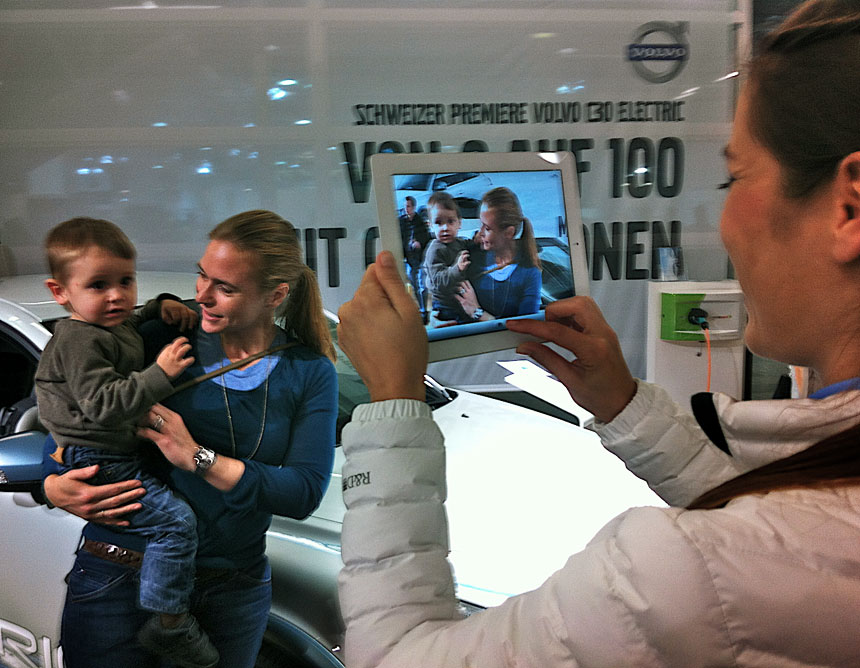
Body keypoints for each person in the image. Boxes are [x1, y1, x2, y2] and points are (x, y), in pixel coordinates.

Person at [335, 1, 860, 666]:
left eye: (737, 175)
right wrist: (623, 403)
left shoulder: (678, 574)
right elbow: (774, 546)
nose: (724, 217)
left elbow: (393, 657)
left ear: (849, 207)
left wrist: (390, 410)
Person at [42, 209, 339, 668]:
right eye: (201, 275)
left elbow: (301, 492)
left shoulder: (308, 371)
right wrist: (51, 482)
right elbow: (73, 412)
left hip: (232, 589)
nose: (202, 294)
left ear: (275, 295)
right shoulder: (163, 335)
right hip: (120, 573)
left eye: (226, 287)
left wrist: (197, 456)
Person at [34, 217, 219, 667]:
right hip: (100, 457)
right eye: (98, 285)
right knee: (175, 525)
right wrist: (162, 373)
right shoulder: (79, 339)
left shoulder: (109, 327)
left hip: (110, 452)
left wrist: (161, 307)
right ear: (60, 293)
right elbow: (101, 404)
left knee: (174, 523)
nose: (116, 295)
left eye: (126, 281)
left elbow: (130, 325)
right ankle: (169, 624)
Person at [456, 186, 542, 321]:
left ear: (509, 233)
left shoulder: (529, 274)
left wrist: (477, 312)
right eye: (481, 224)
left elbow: (526, 327)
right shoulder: (472, 256)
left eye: (488, 228)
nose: (480, 233)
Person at [421, 191, 480, 325]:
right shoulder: (435, 249)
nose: (445, 228)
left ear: (459, 223)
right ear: (430, 225)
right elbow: (437, 281)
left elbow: (467, 244)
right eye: (438, 222)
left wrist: (475, 241)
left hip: (461, 301)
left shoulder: (458, 242)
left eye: (450, 221)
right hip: (446, 307)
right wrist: (457, 268)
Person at [399, 195, 431, 319]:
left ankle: (424, 311)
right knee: (414, 285)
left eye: (408, 206)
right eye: (405, 207)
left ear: (413, 207)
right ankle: (422, 309)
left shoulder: (420, 222)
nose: (406, 209)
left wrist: (419, 243)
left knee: (422, 285)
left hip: (419, 258)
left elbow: (426, 238)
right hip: (408, 258)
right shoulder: (401, 221)